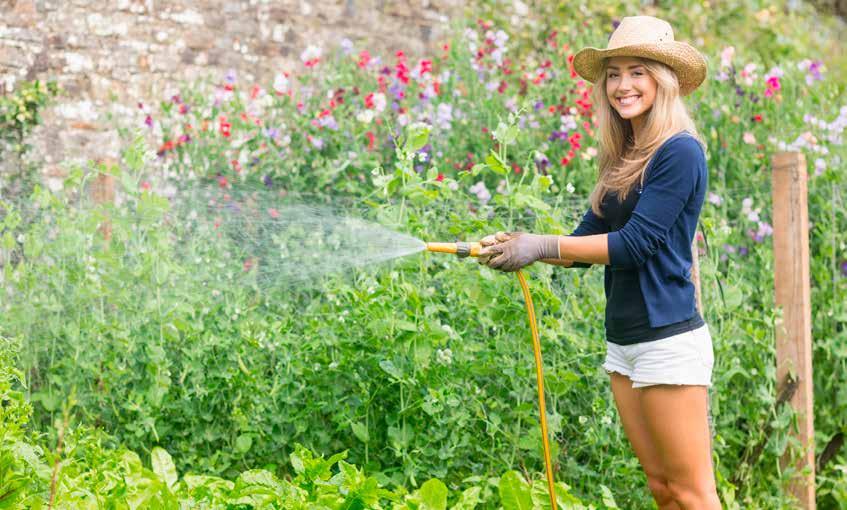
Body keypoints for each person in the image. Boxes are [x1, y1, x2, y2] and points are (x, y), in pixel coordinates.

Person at [477, 15, 721, 509]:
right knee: (663, 491)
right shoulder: (626, 155)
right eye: (614, 73)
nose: (622, 84)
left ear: (663, 79)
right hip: (626, 341)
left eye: (637, 71)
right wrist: (514, 246)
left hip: (668, 340)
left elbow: (634, 244)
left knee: (694, 496)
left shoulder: (679, 152)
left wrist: (542, 244)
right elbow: (585, 243)